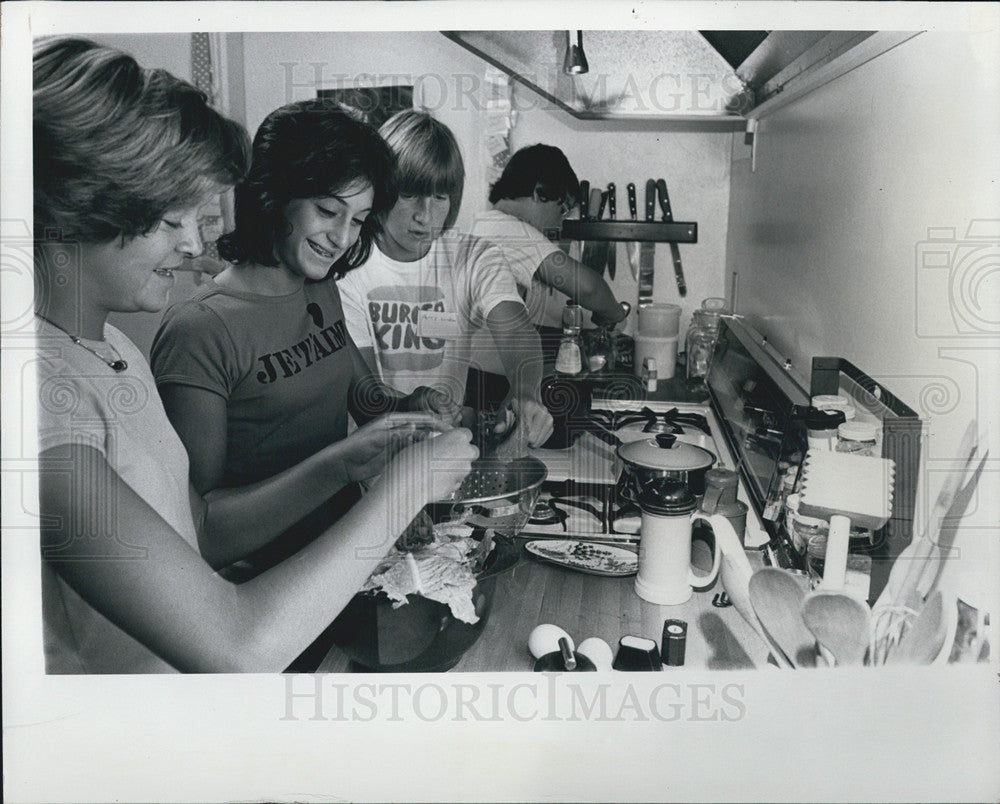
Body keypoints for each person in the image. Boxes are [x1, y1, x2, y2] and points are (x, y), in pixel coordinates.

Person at [33, 37, 476, 674]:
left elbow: (195, 528)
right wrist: (403, 486)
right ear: (79, 203)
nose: (195, 242)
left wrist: (372, 439)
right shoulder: (41, 395)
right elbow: (234, 643)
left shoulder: (111, 349)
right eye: (168, 218)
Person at [151, 99, 458, 577]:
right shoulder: (200, 329)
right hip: (263, 587)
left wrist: (412, 406)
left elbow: (364, 398)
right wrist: (338, 465)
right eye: (328, 210)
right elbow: (201, 529)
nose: (341, 238)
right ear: (276, 195)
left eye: (357, 220)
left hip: (340, 558)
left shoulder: (321, 288)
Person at [338, 110, 554, 448]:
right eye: (410, 193)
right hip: (368, 461)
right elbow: (367, 399)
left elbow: (516, 331)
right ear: (381, 188)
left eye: (439, 197)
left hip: (446, 456)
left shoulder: (474, 257)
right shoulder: (347, 266)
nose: (425, 214)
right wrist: (415, 406)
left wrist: (526, 394)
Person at [470, 143, 627, 366]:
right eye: (562, 209)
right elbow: (588, 288)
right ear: (538, 192)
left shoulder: (487, 224)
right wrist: (615, 315)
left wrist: (573, 338)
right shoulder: (510, 231)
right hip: (485, 380)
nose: (560, 223)